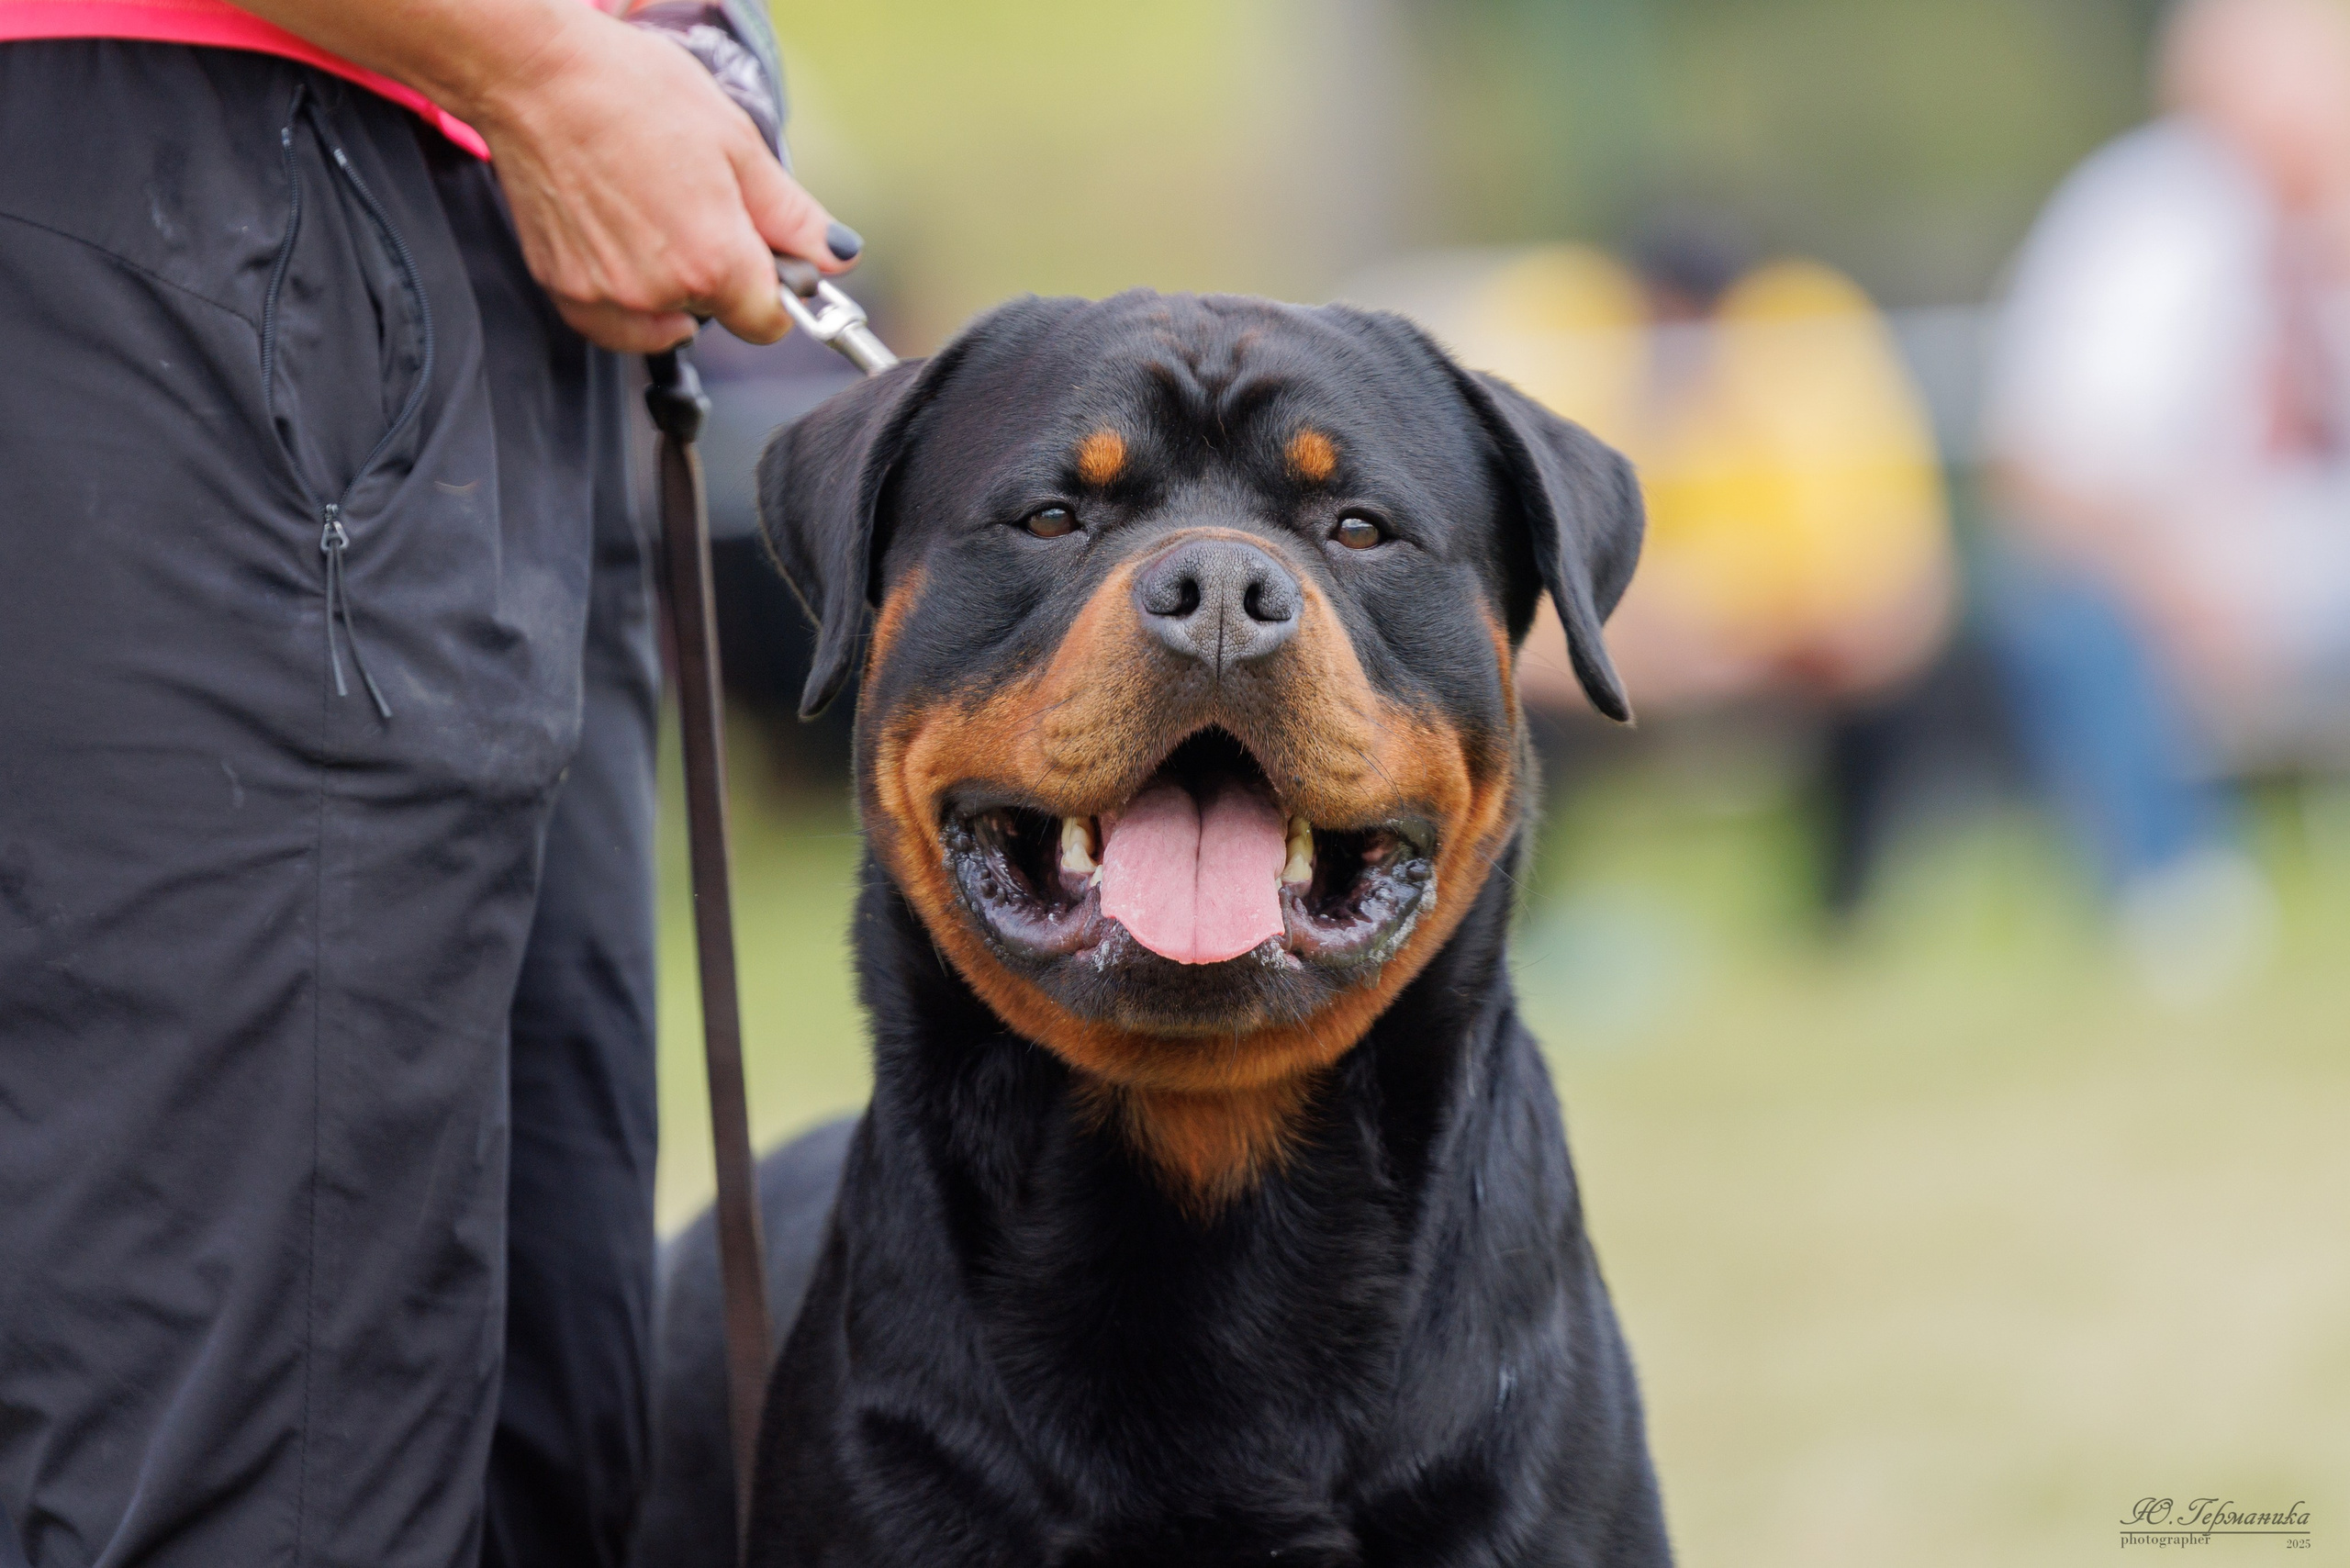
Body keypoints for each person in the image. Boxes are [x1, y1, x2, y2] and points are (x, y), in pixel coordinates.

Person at [0, 3, 856, 1563]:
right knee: (268, 1473)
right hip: (197, 168)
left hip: (491, 242)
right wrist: (535, 66)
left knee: (542, 1442)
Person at [1982, 0, 2350, 998]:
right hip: (2173, 555)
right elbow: (2039, 466)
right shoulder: (2134, 219)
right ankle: (2174, 900)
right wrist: (2166, 574)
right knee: (2058, 607)